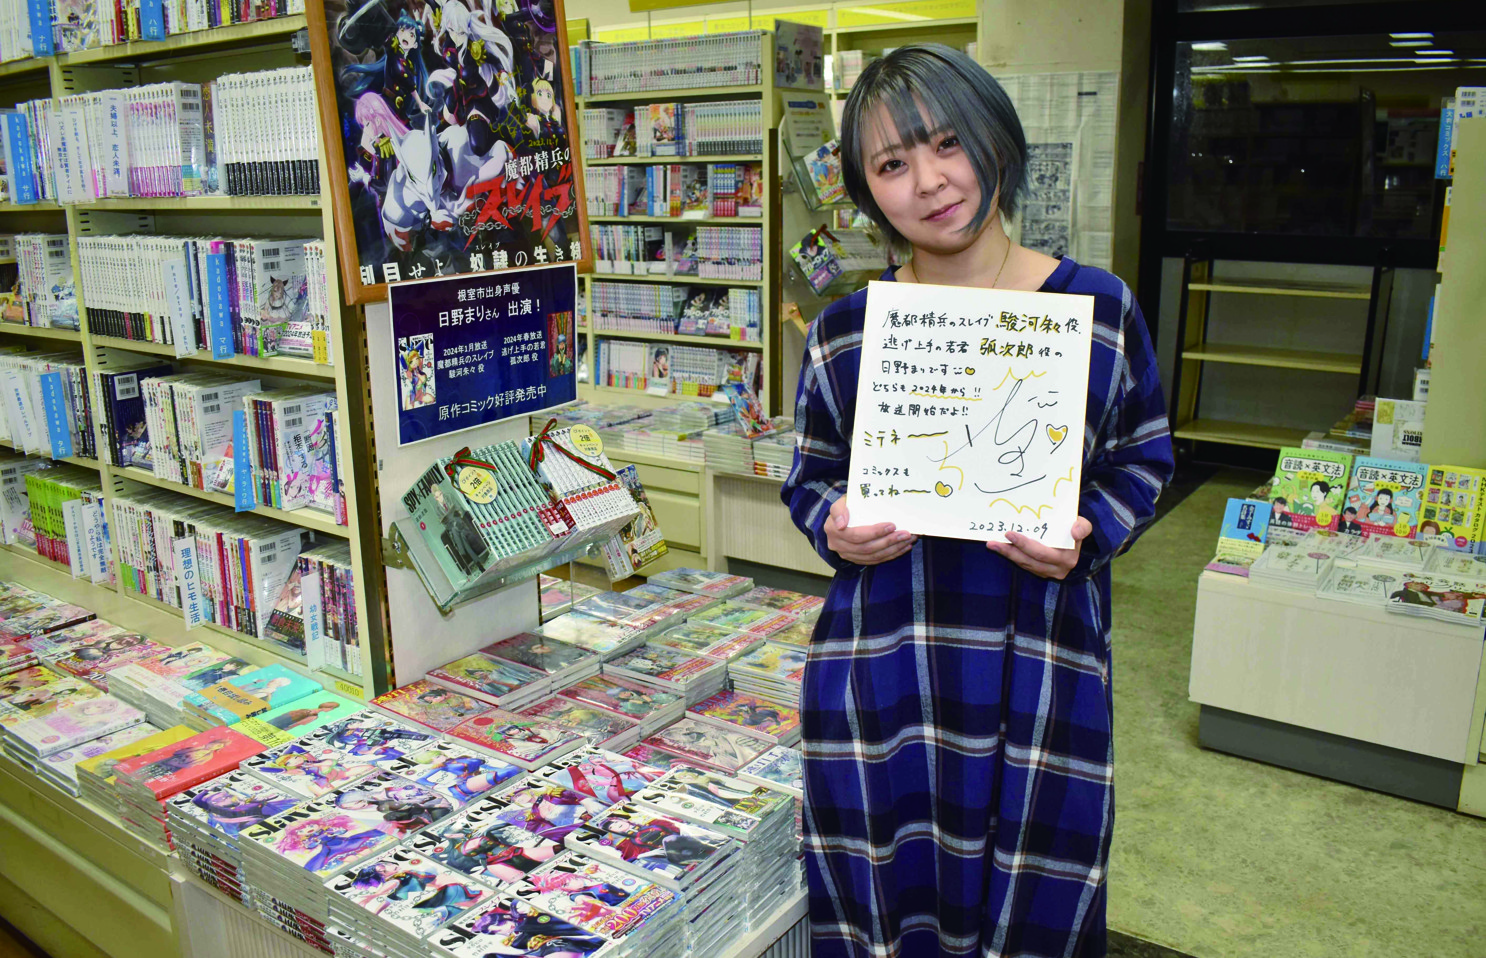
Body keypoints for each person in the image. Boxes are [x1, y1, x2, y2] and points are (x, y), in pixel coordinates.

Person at [779, 45, 1174, 958]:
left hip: (1041, 664)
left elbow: (1145, 456)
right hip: (887, 669)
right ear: (865, 190)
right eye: (892, 163)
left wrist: (1091, 531)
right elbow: (810, 476)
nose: (929, 182)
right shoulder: (847, 329)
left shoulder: (1098, 307)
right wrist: (833, 524)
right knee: (887, 897)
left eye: (948, 143)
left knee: (1035, 899)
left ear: (995, 137)